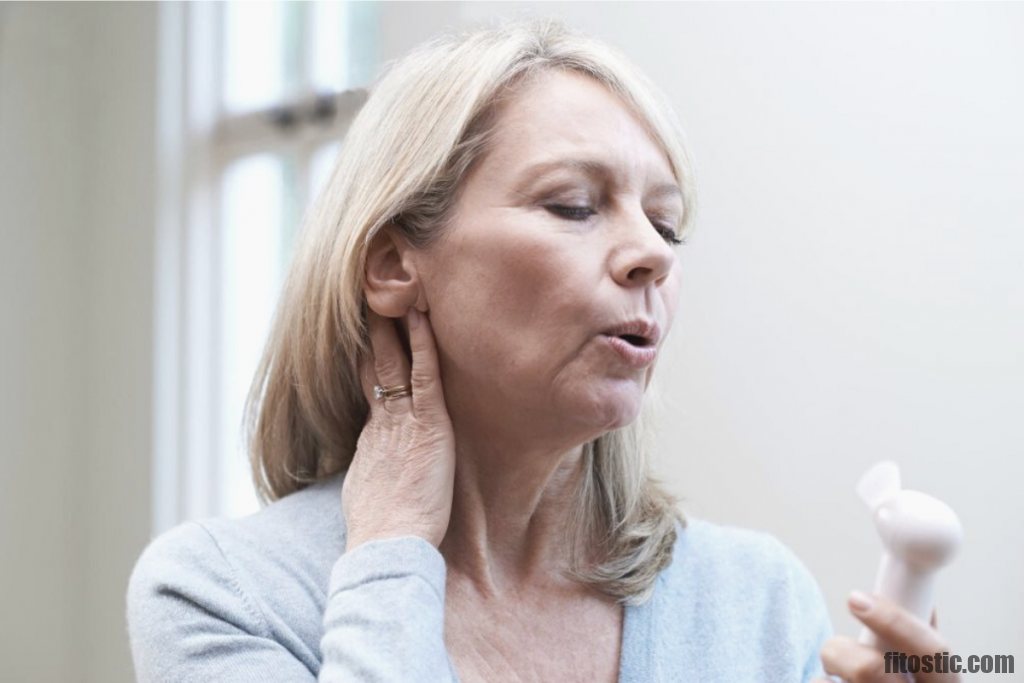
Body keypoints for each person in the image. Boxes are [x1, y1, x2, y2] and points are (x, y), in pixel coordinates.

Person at [127, 19, 959, 683]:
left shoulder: (758, 600)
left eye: (666, 223)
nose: (654, 254)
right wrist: (388, 557)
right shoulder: (222, 595)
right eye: (571, 205)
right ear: (393, 264)